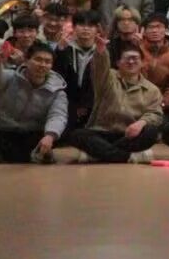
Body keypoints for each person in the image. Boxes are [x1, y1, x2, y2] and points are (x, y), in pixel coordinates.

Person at [59, 34, 163, 164]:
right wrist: (101, 50)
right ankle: (126, 156)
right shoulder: (107, 78)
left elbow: (155, 114)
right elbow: (100, 67)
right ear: (118, 63)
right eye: (127, 59)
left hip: (129, 135)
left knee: (151, 132)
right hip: (102, 132)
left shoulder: (152, 89)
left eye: (135, 58)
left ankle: (100, 153)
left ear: (142, 62)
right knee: (77, 135)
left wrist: (141, 123)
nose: (131, 62)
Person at [0, 40, 67, 164]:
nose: (42, 65)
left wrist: (50, 135)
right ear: (26, 61)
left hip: (28, 134)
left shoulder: (58, 91)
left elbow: (58, 116)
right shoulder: (11, 77)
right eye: (38, 59)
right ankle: (0, 155)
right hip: (0, 129)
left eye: (47, 62)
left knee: (43, 141)